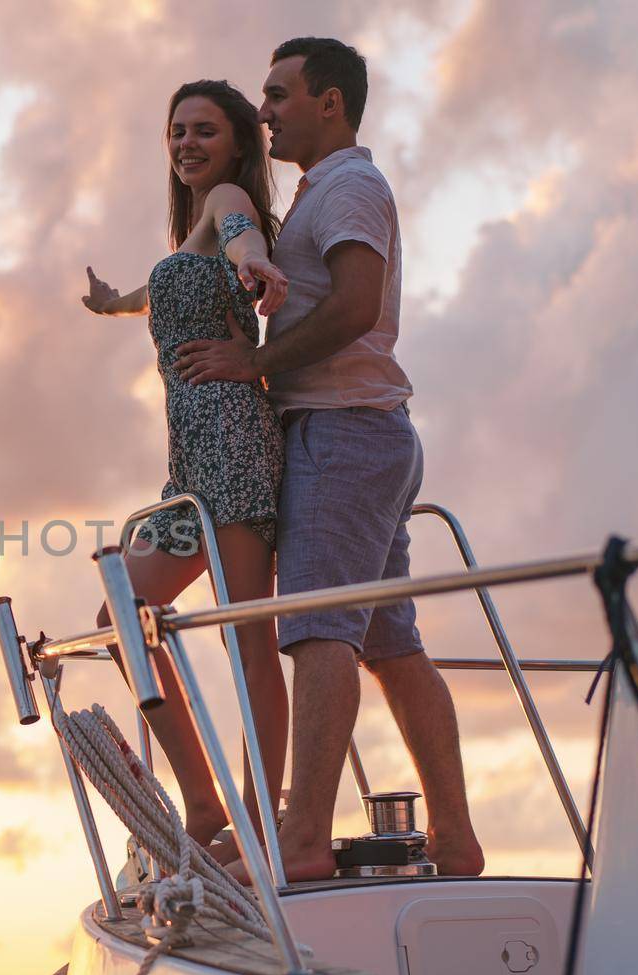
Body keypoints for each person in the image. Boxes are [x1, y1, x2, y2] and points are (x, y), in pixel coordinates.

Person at [173, 38, 486, 881]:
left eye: (278, 94)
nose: (264, 110)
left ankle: (301, 843)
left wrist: (254, 363)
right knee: (390, 645)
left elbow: (354, 306)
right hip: (370, 432)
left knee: (319, 634)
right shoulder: (325, 191)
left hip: (342, 433)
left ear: (332, 103)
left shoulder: (349, 185)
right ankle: (456, 843)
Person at [83, 80, 291, 857]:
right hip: (189, 461)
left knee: (248, 640)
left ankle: (260, 823)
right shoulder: (190, 236)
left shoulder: (229, 202)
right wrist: (115, 305)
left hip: (234, 442)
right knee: (121, 615)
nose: (186, 143)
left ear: (237, 141)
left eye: (203, 130)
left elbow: (243, 238)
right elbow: (165, 284)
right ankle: (204, 806)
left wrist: (258, 265)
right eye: (176, 132)